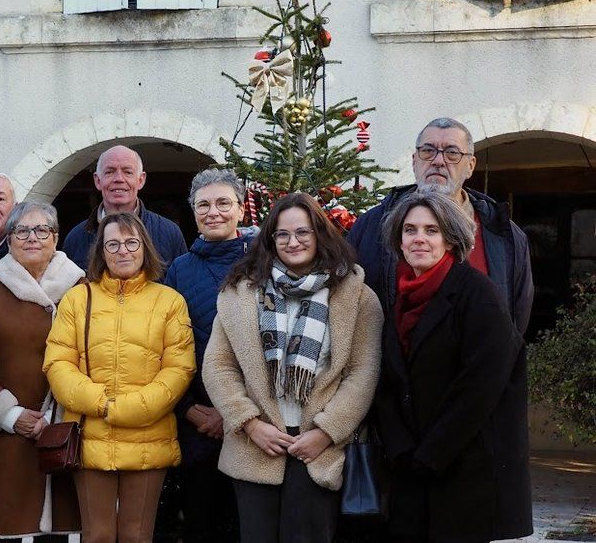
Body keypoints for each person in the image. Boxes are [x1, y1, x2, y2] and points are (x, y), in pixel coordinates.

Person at [202, 193, 382, 543]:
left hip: (318, 447)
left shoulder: (355, 295)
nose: (293, 241)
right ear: (269, 239)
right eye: (282, 235)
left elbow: (363, 370)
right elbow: (219, 366)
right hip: (255, 446)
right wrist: (251, 424)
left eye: (303, 232)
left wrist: (327, 431)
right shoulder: (239, 293)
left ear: (320, 234)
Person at [373, 189, 531, 542]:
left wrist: (432, 453)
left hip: (463, 466)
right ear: (398, 238)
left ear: (450, 238)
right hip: (409, 467)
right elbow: (386, 376)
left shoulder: (478, 293)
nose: (419, 239)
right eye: (410, 230)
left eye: (431, 230)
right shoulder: (395, 295)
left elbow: (481, 385)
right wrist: (400, 447)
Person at [43, 212, 195, 543]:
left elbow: (178, 369)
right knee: (96, 535)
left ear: (144, 248)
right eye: (113, 243)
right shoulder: (78, 299)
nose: (122, 250)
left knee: (136, 535)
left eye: (131, 243)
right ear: (101, 251)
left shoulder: (169, 301)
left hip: (148, 436)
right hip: (91, 435)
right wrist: (102, 403)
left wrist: (125, 408)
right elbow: (58, 363)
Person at [0, 202, 84, 540]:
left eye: (42, 230)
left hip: (66, 433)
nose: (32, 237)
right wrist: (8, 413)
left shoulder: (83, 289)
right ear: (9, 238)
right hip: (4, 437)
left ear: (56, 237)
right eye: (22, 231)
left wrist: (62, 413)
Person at [348, 117, 533, 334]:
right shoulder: (372, 227)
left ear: (470, 166)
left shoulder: (503, 233)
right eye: (428, 151)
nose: (438, 161)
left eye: (452, 153)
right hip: (392, 365)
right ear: (414, 161)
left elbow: (516, 319)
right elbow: (349, 302)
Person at [160, 168, 254, 543]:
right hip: (196, 420)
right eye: (204, 205)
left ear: (241, 210)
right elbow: (163, 346)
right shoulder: (179, 270)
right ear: (194, 212)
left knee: (248, 524)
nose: (213, 212)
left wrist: (236, 411)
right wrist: (186, 408)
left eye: (223, 203)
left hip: (253, 420)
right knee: (201, 523)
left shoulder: (263, 265)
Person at [60, 145, 186, 267]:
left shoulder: (169, 233)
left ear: (141, 180)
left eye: (127, 172)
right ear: (98, 181)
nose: (119, 179)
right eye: (109, 172)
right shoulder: (75, 238)